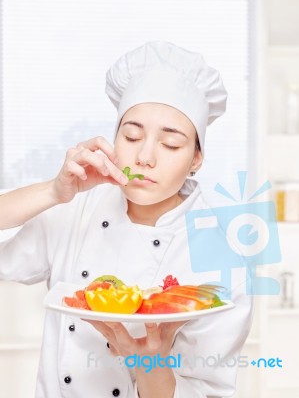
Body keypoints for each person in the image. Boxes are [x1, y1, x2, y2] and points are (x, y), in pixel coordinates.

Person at [0, 41, 252, 398]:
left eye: (170, 144)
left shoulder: (221, 257)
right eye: (132, 136)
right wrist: (53, 193)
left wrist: (149, 366)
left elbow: (205, 392)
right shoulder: (78, 209)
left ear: (197, 158)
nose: (145, 156)